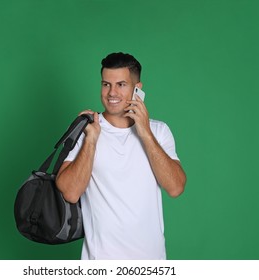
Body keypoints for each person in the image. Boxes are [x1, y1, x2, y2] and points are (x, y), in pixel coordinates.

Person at [56, 52, 186, 260]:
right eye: (106, 84)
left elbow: (175, 187)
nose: (111, 93)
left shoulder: (159, 132)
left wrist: (144, 132)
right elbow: (70, 193)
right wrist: (91, 140)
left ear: (138, 89)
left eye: (121, 85)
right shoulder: (87, 130)